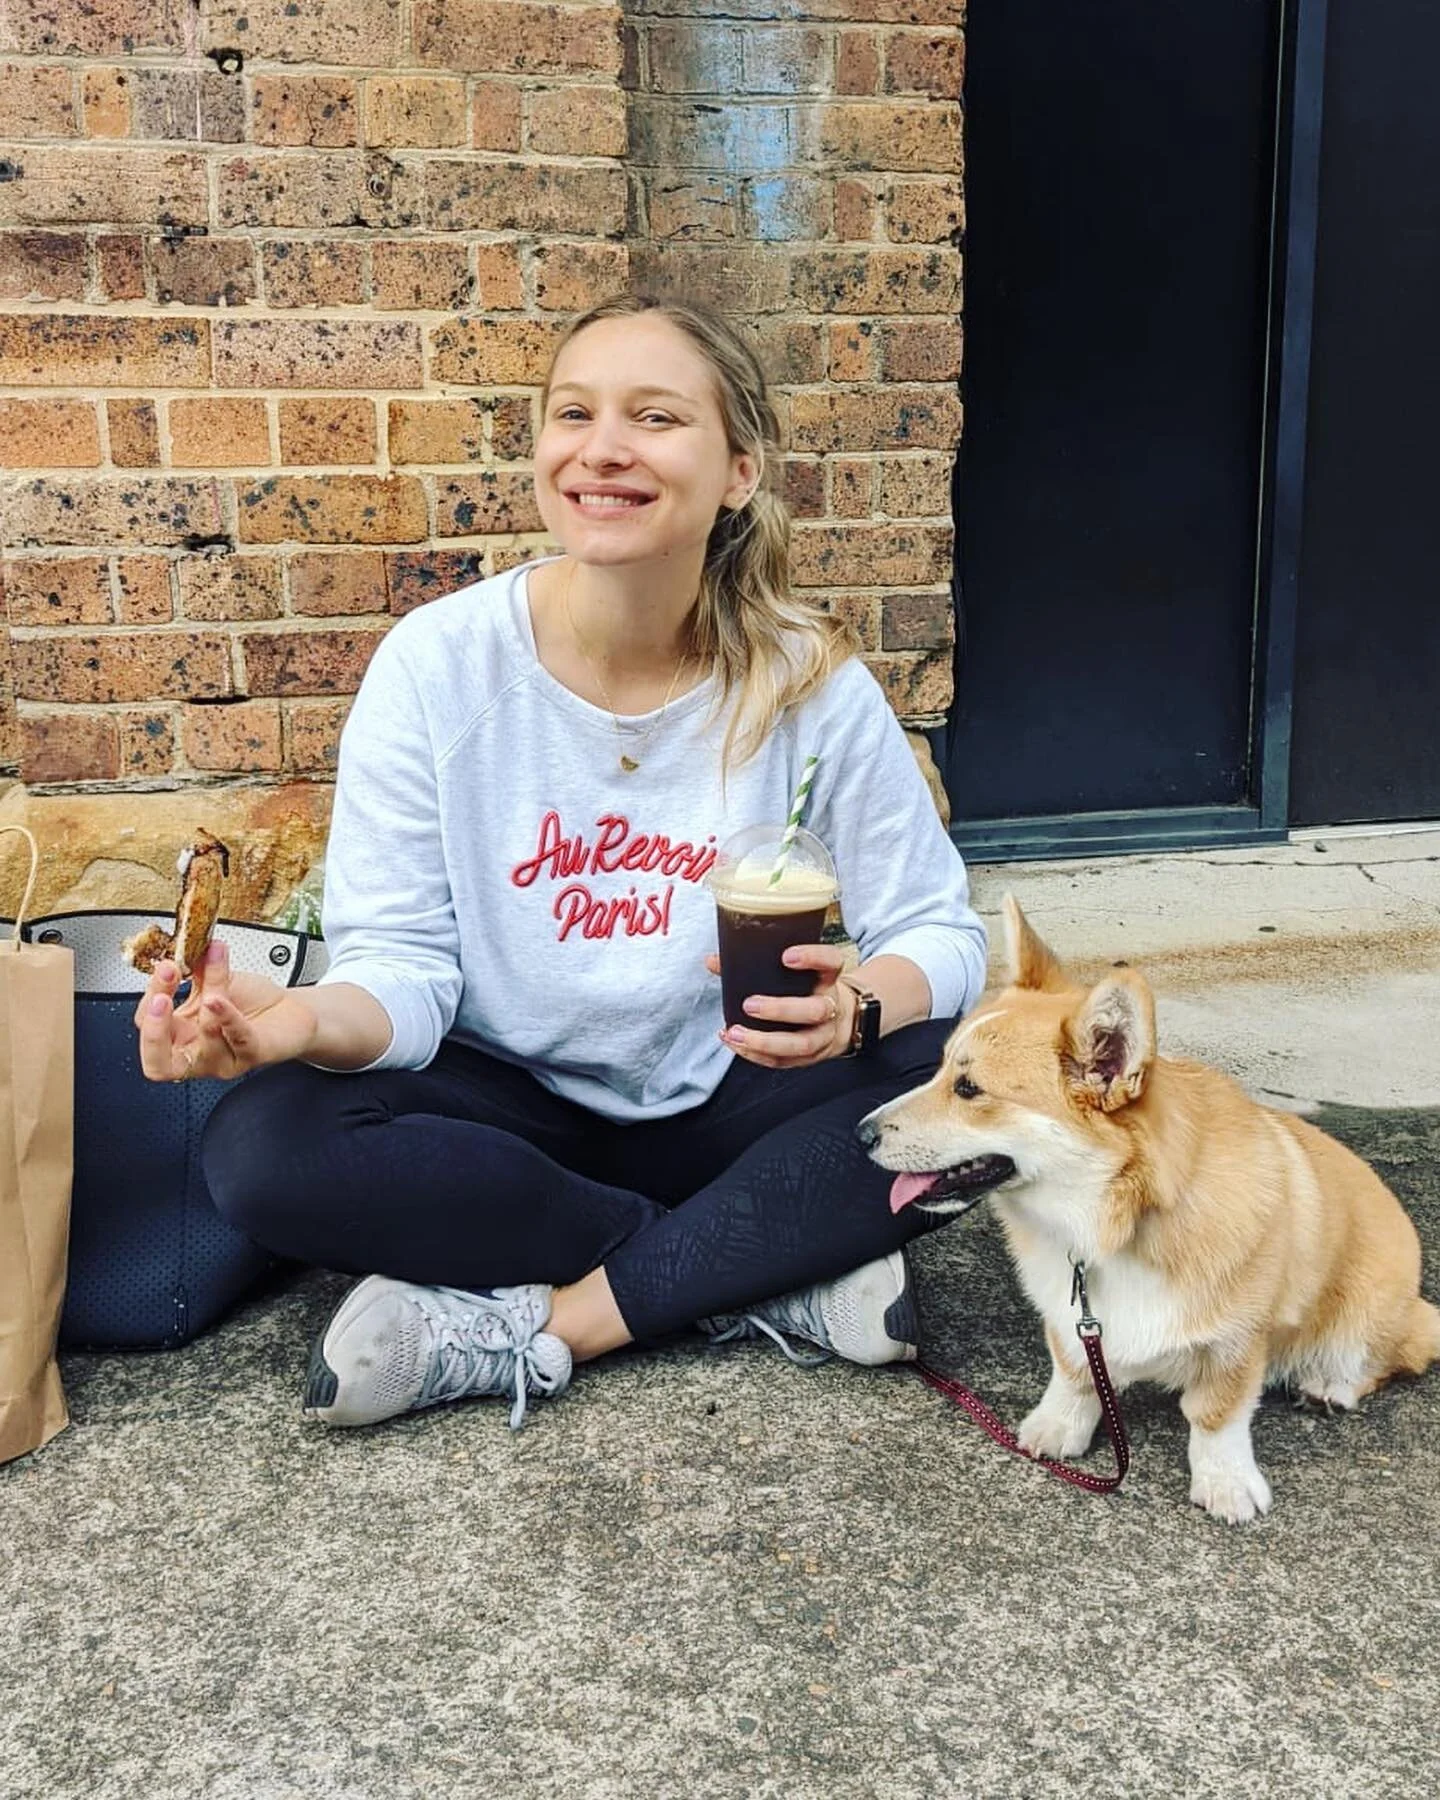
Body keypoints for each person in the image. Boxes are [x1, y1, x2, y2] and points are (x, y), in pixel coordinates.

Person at [133, 295, 989, 1432]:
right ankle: (750, 1264)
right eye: (572, 413)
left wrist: (861, 1014)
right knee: (264, 1149)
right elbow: (405, 971)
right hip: (510, 1107)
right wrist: (285, 1024)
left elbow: (942, 933)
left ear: (739, 469)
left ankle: (544, 1325)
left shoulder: (808, 682)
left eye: (655, 417)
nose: (602, 448)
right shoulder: (438, 668)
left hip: (739, 1087)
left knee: (963, 1085)